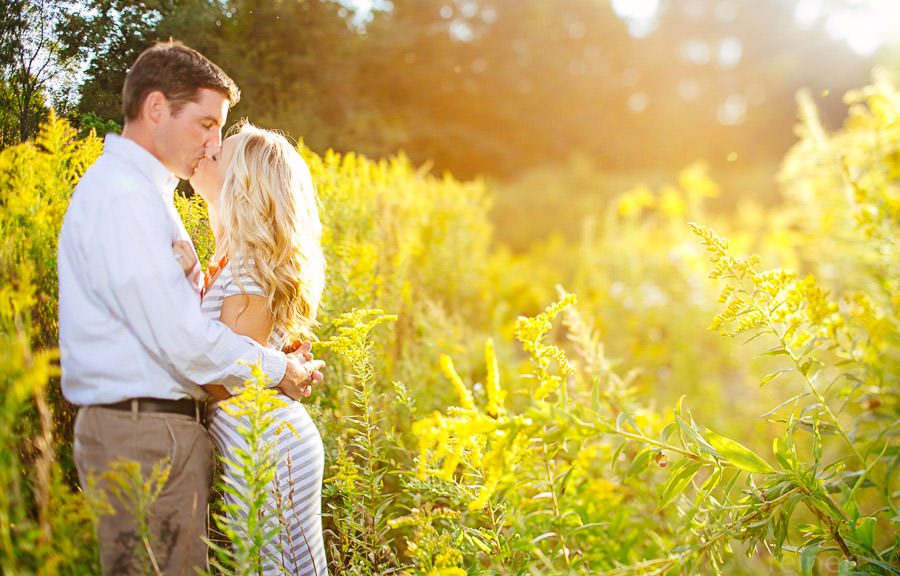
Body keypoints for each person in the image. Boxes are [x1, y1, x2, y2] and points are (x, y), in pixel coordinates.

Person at [57, 41, 324, 576]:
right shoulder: (127, 197)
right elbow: (185, 344)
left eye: (217, 134)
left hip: (226, 437)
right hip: (147, 430)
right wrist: (280, 369)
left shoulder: (151, 201)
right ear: (157, 108)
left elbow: (195, 337)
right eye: (206, 125)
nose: (210, 144)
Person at [183, 121, 328, 575]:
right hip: (261, 441)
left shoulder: (247, 266)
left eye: (219, 153)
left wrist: (280, 370)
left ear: (242, 186)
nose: (207, 150)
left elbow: (224, 376)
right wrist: (281, 367)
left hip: (269, 447)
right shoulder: (235, 259)